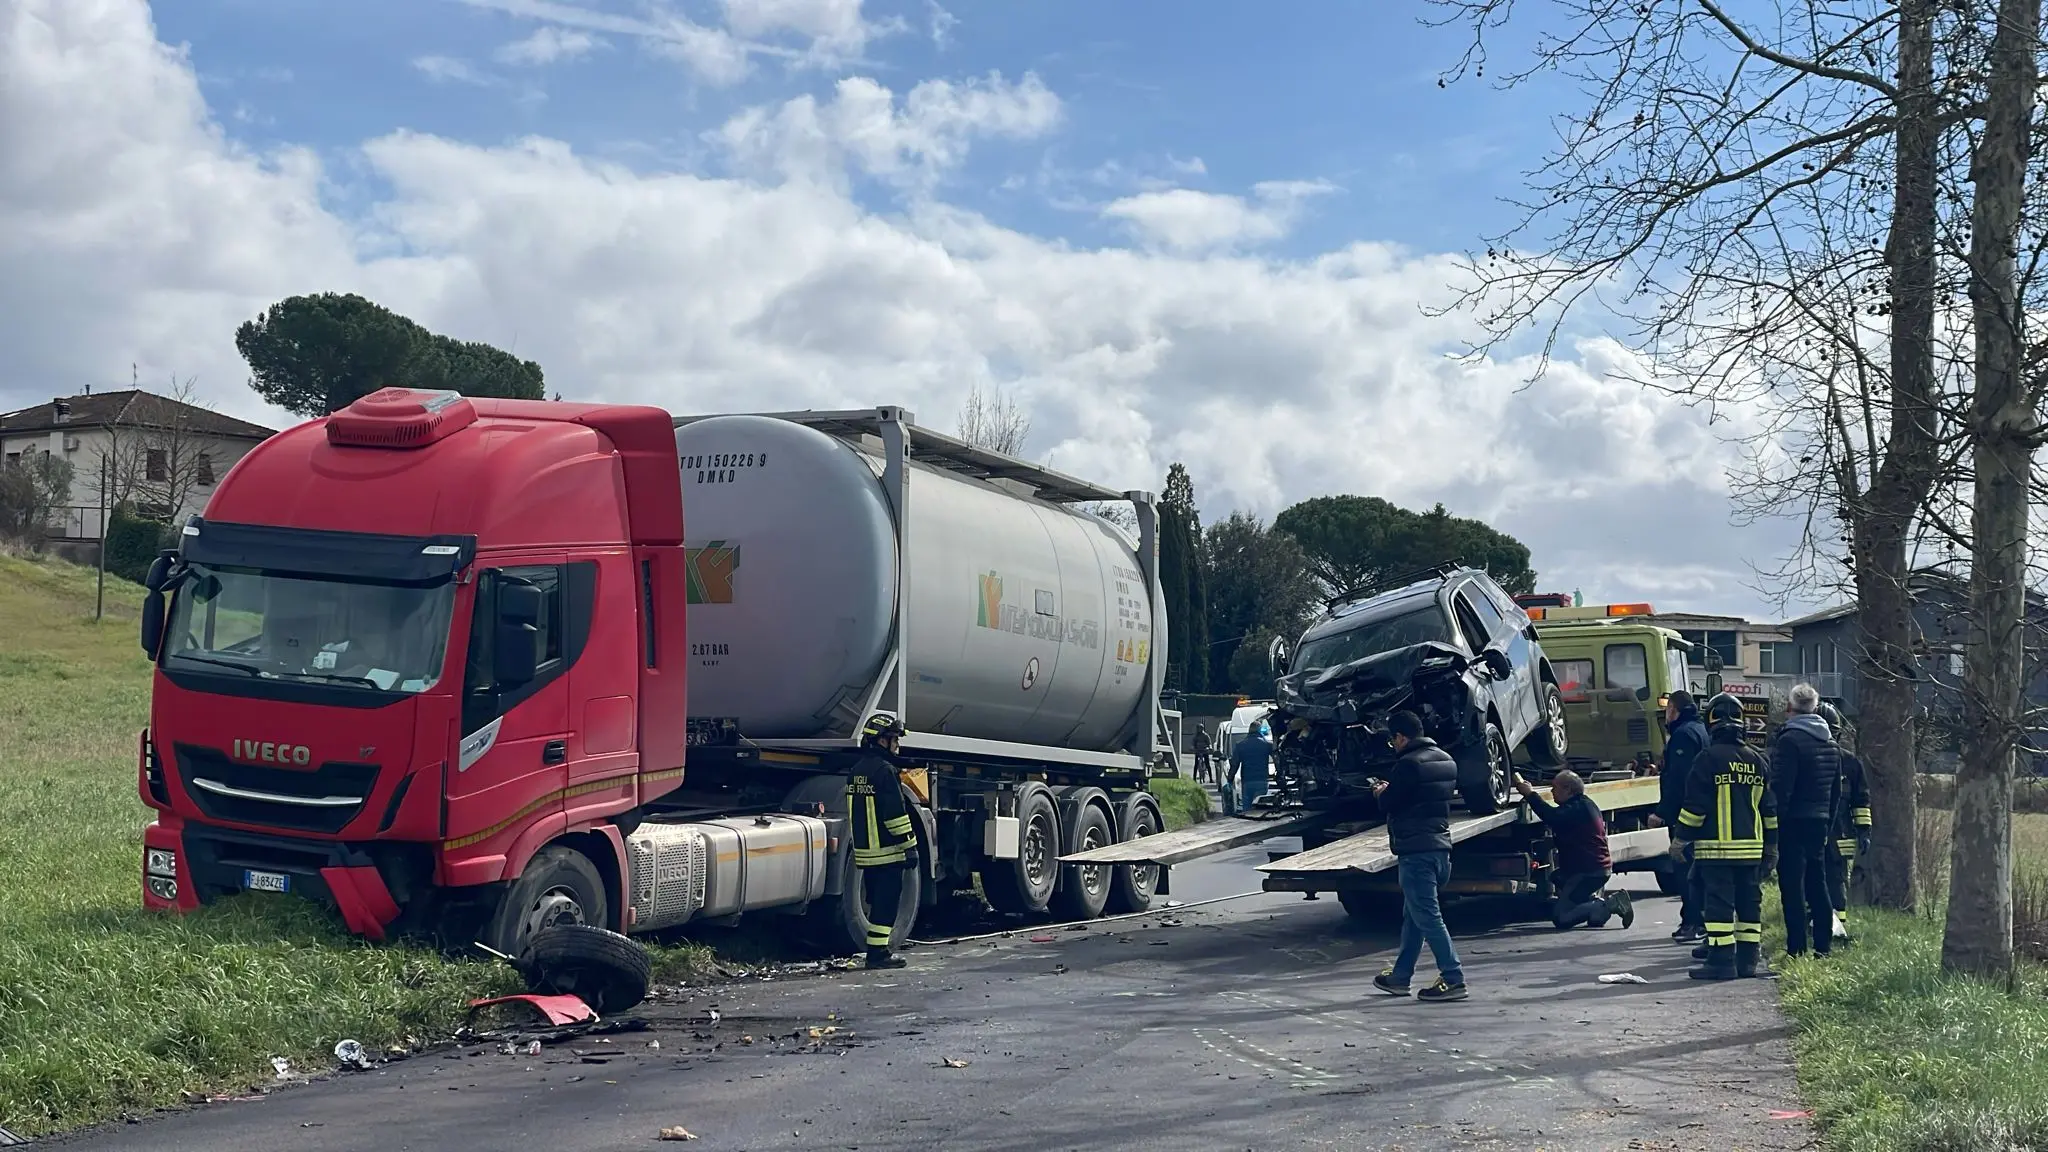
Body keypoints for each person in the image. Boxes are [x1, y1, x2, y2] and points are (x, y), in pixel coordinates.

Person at [1674, 693, 1779, 980]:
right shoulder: (1759, 760)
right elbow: (1769, 810)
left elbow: (1695, 808)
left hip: (1716, 852)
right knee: (1749, 905)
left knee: (1719, 906)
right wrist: (1771, 847)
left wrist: (1681, 839)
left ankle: (1721, 962)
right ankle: (1747, 962)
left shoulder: (1707, 759)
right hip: (1752, 851)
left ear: (1712, 722)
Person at [1371, 710, 1467, 1002]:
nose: (1394, 746)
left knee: (1428, 917)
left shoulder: (1407, 765)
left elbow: (1391, 802)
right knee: (1414, 917)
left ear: (1401, 737)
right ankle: (1400, 976)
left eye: (1393, 741)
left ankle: (1453, 977)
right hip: (1440, 848)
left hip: (1416, 851)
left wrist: (1380, 792)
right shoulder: (1446, 760)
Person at [1770, 683, 1841, 959]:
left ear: (1790, 708)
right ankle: (1823, 947)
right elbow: (1835, 792)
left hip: (1793, 822)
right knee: (1817, 882)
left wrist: (1776, 823)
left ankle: (1796, 948)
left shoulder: (1789, 741)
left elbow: (1781, 788)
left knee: (1792, 885)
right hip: (1819, 821)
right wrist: (1828, 823)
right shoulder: (1830, 743)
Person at [1515, 770, 1635, 930]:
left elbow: (1552, 817)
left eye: (1555, 788)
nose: (1551, 791)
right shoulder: (1584, 804)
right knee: (1557, 877)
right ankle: (1596, 906)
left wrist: (1530, 794)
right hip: (1595, 869)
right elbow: (1575, 833)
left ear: (1568, 790)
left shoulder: (1577, 808)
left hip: (1588, 871)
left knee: (1561, 918)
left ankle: (1608, 904)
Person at [848, 711, 919, 970]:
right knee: (886, 906)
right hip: (889, 851)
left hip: (866, 853)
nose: (897, 746)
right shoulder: (886, 772)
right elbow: (895, 815)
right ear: (881, 741)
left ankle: (876, 951)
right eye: (894, 740)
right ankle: (878, 954)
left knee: (877, 902)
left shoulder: (856, 771)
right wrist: (910, 846)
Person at [1653, 690, 1709, 945]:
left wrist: (1662, 813)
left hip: (1686, 815)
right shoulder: (1699, 730)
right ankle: (1698, 920)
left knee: (1685, 869)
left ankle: (1693, 922)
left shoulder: (1683, 735)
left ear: (1674, 709)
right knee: (1696, 871)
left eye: (1667, 709)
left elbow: (1679, 780)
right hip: (1700, 812)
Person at [1817, 702, 1871, 946]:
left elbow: (1861, 800)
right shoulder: (1807, 756)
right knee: (1815, 878)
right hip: (1818, 833)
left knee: (1836, 882)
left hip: (1839, 835)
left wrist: (1863, 830)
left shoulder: (1850, 763)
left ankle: (1837, 930)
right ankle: (1815, 923)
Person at [1227, 720, 1273, 816]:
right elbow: (1277, 760)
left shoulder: (1240, 745)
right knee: (1261, 808)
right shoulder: (1267, 745)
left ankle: (1248, 825)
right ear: (1260, 730)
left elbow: (1234, 764)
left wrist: (1230, 779)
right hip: (1262, 780)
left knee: (1247, 809)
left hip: (1247, 781)